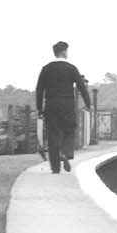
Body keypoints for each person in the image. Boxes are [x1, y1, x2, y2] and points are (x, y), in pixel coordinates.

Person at [35, 40, 92, 174]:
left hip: (51, 105)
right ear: (64, 52)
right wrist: (88, 104)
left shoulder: (46, 69)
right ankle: (65, 152)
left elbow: (39, 90)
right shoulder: (71, 68)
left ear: (55, 53)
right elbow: (81, 87)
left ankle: (55, 168)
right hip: (67, 105)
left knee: (52, 135)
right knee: (69, 130)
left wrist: (39, 109)